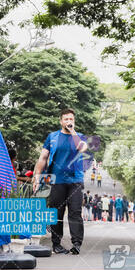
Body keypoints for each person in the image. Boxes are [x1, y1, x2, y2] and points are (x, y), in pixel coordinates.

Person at [33, 108, 88, 255]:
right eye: (66, 119)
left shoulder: (80, 136)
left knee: (75, 212)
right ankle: (56, 244)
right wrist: (37, 176)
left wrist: (73, 132)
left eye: (71, 119)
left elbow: (82, 149)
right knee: (57, 212)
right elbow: (43, 157)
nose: (69, 122)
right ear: (61, 121)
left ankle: (76, 243)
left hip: (75, 179)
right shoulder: (53, 137)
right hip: (57, 180)